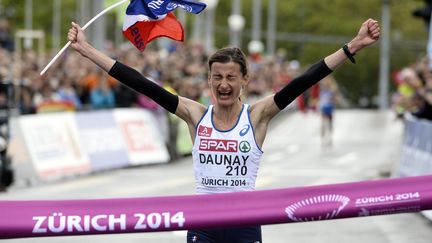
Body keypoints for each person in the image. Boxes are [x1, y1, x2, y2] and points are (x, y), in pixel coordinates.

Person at [68, 18, 380, 243]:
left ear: (245, 80)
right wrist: (88, 51)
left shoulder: (257, 116)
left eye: (231, 77)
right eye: (217, 77)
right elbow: (141, 83)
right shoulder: (196, 115)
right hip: (203, 226)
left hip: (245, 226)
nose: (223, 84)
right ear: (209, 80)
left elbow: (303, 81)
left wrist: (352, 46)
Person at [319, 76, 341, 146]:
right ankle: (323, 139)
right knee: (323, 124)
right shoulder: (322, 89)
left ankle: (330, 138)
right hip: (324, 108)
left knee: (330, 124)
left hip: (330, 108)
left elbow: (336, 98)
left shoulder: (332, 90)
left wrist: (334, 100)